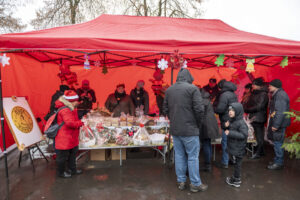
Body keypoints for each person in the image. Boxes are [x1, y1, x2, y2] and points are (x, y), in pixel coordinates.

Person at [163, 68, 207, 193]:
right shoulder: (193, 89)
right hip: (190, 129)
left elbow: (165, 109)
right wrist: (197, 124)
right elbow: (199, 110)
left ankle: (181, 181)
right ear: (189, 77)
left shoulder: (169, 90)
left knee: (179, 155)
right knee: (192, 157)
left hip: (176, 129)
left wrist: (174, 119)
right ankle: (195, 183)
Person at [54, 90, 84, 178]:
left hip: (71, 136)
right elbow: (70, 123)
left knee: (72, 154)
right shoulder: (65, 110)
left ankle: (72, 169)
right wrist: (81, 123)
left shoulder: (71, 107)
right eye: (76, 101)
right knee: (62, 157)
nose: (77, 102)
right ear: (71, 101)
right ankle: (61, 172)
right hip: (64, 137)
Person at [214, 81, 238, 168]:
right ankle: (232, 159)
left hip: (226, 120)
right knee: (231, 142)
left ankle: (225, 162)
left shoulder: (224, 95)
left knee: (225, 142)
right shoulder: (233, 94)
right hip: (233, 120)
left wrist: (214, 109)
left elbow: (220, 109)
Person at [267, 79, 291, 170]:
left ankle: (278, 163)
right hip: (279, 123)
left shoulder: (280, 95)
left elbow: (280, 111)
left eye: (270, 85)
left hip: (279, 124)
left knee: (278, 143)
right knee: (277, 142)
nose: (269, 87)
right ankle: (277, 159)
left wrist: (276, 125)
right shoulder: (278, 94)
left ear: (274, 86)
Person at [224, 103, 248, 188]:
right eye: (229, 110)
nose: (230, 112)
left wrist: (230, 133)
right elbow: (230, 129)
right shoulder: (233, 120)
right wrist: (227, 126)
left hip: (238, 148)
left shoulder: (241, 123)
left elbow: (244, 135)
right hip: (234, 146)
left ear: (238, 111)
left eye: (233, 110)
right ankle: (235, 177)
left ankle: (237, 180)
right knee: (236, 164)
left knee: (237, 164)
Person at [243, 78, 269, 159]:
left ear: (258, 86)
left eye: (253, 85)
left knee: (259, 136)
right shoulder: (254, 93)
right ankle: (261, 151)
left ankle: (258, 153)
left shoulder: (263, 94)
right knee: (255, 135)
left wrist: (247, 109)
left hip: (259, 118)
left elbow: (259, 106)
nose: (252, 86)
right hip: (253, 117)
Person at [199, 88, 219, 172]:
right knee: (208, 144)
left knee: (206, 144)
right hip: (210, 124)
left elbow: (200, 114)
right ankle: (208, 163)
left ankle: (207, 165)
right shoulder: (206, 100)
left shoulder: (202, 101)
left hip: (206, 125)